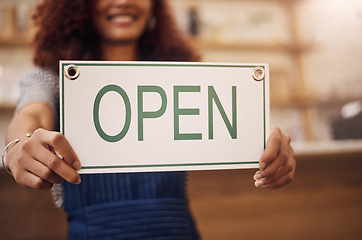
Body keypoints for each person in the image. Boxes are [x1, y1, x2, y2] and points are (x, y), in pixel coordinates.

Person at [4, 0, 296, 239]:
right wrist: (18, 146)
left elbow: (234, 122)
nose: (125, 1)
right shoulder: (53, 79)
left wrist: (268, 141)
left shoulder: (182, 76)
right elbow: (31, 114)